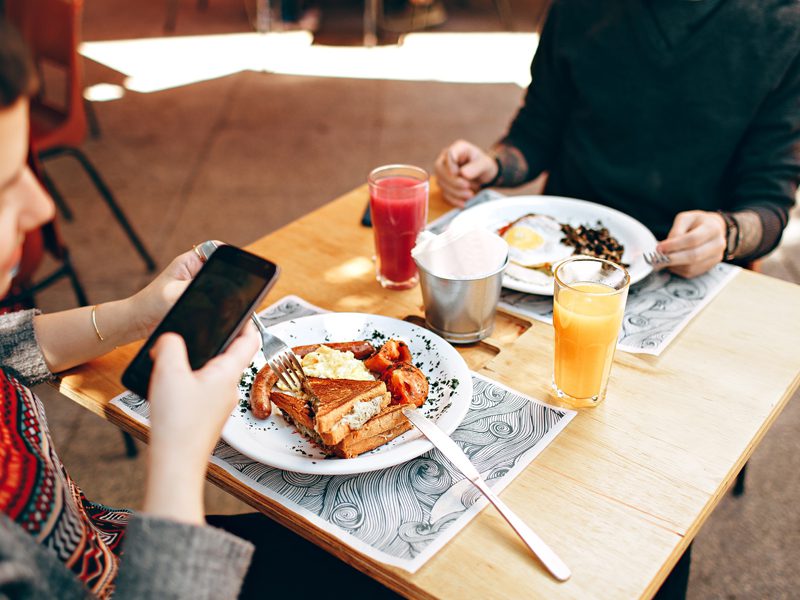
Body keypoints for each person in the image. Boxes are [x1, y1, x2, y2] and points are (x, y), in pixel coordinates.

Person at [0, 20, 399, 599]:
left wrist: (137, 315)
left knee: (371, 548)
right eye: (5, 185)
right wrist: (180, 455)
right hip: (152, 575)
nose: (41, 206)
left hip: (110, 538)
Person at [435, 0, 800, 279]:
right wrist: (494, 164)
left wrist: (727, 233)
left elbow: (768, 207)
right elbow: (538, 128)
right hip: (558, 255)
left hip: (683, 266)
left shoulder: (785, 25)